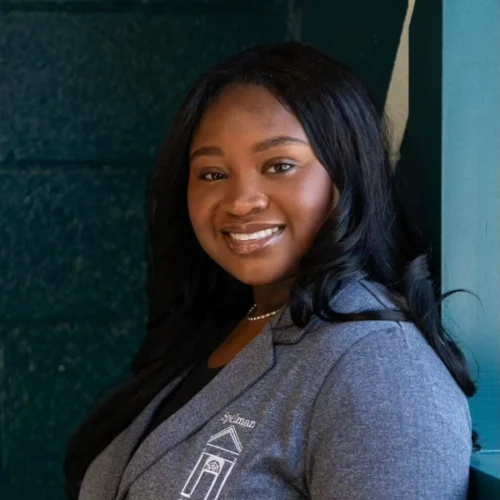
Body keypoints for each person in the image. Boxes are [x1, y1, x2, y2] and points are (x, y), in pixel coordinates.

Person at [65, 42, 478, 500]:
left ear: (345, 175)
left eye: (279, 165)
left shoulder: (383, 371)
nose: (241, 201)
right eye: (212, 174)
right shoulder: (224, 325)